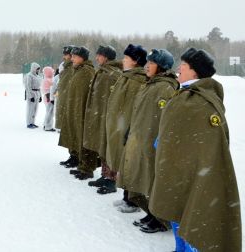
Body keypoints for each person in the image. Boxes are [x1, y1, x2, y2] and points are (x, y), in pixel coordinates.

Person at [149, 48, 241, 251]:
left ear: (195, 71)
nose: (179, 68)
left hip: (193, 173)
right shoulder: (186, 95)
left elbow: (208, 144)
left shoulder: (199, 101)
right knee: (178, 212)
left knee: (191, 215)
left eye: (184, 65)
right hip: (180, 170)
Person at [117, 49, 178, 233]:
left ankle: (160, 219)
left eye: (151, 63)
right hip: (142, 138)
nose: (147, 66)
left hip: (154, 141)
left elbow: (166, 118)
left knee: (154, 179)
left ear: (162, 67)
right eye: (147, 62)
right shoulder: (150, 84)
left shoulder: (166, 87)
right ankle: (152, 213)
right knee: (145, 178)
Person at [102, 44, 147, 211]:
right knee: (123, 163)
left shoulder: (137, 80)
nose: (123, 60)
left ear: (135, 62)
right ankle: (126, 196)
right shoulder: (127, 76)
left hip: (127, 128)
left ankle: (133, 200)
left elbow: (134, 107)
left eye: (126, 58)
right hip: (119, 127)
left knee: (129, 164)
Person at [82, 45, 122, 188]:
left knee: (109, 147)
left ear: (106, 57)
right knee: (102, 146)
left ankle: (111, 179)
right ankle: (105, 175)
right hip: (100, 114)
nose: (97, 57)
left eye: (99, 55)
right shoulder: (103, 72)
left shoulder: (113, 74)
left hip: (109, 116)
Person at [65, 46, 96, 180]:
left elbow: (86, 95)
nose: (72, 59)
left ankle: (86, 168)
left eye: (75, 57)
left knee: (84, 139)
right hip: (75, 110)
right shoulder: (77, 70)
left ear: (82, 58)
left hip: (83, 112)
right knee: (77, 137)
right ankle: (80, 164)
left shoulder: (87, 72)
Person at [57, 46, 78, 167]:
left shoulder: (72, 68)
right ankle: (72, 155)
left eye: (66, 54)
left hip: (69, 102)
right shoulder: (65, 66)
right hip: (65, 100)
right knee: (68, 131)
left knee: (72, 131)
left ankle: (75, 156)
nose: (64, 57)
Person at [24, 62, 41, 129]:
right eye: (37, 69)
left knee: (35, 109)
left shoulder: (37, 76)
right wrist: (30, 96)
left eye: (38, 69)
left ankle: (33, 122)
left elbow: (39, 87)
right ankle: (29, 123)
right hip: (32, 93)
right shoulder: (29, 76)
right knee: (30, 109)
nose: (38, 70)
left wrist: (40, 96)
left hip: (37, 93)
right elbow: (28, 86)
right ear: (34, 68)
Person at [41, 66, 55, 132]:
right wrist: (49, 98)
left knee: (48, 112)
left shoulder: (50, 79)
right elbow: (46, 90)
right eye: (51, 71)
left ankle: (45, 124)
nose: (52, 72)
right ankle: (48, 126)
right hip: (48, 98)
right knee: (50, 112)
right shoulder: (46, 80)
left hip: (50, 97)